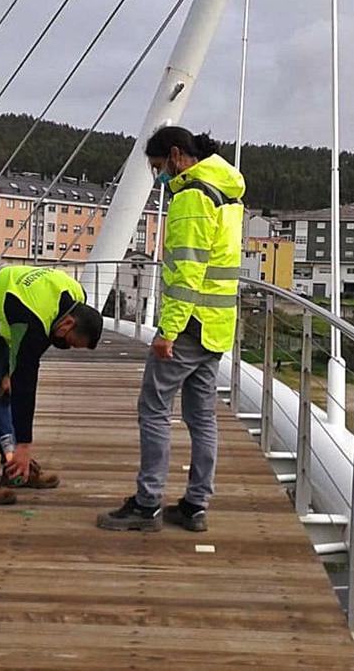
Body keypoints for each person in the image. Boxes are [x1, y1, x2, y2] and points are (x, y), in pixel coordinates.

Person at [98, 126, 244, 533]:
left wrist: (168, 331)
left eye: (159, 167)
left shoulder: (193, 197)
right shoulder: (228, 193)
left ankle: (147, 505)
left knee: (155, 410)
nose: (159, 177)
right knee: (202, 418)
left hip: (189, 325)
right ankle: (196, 504)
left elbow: (187, 273)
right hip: (217, 325)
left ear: (177, 156)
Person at [0, 265, 103, 505]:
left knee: (1, 391)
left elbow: (25, 360)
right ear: (68, 323)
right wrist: (24, 444)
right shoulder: (32, 319)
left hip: (1, 313)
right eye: (69, 342)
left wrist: (9, 373)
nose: (66, 346)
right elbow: (26, 383)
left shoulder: (77, 296)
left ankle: (13, 468)